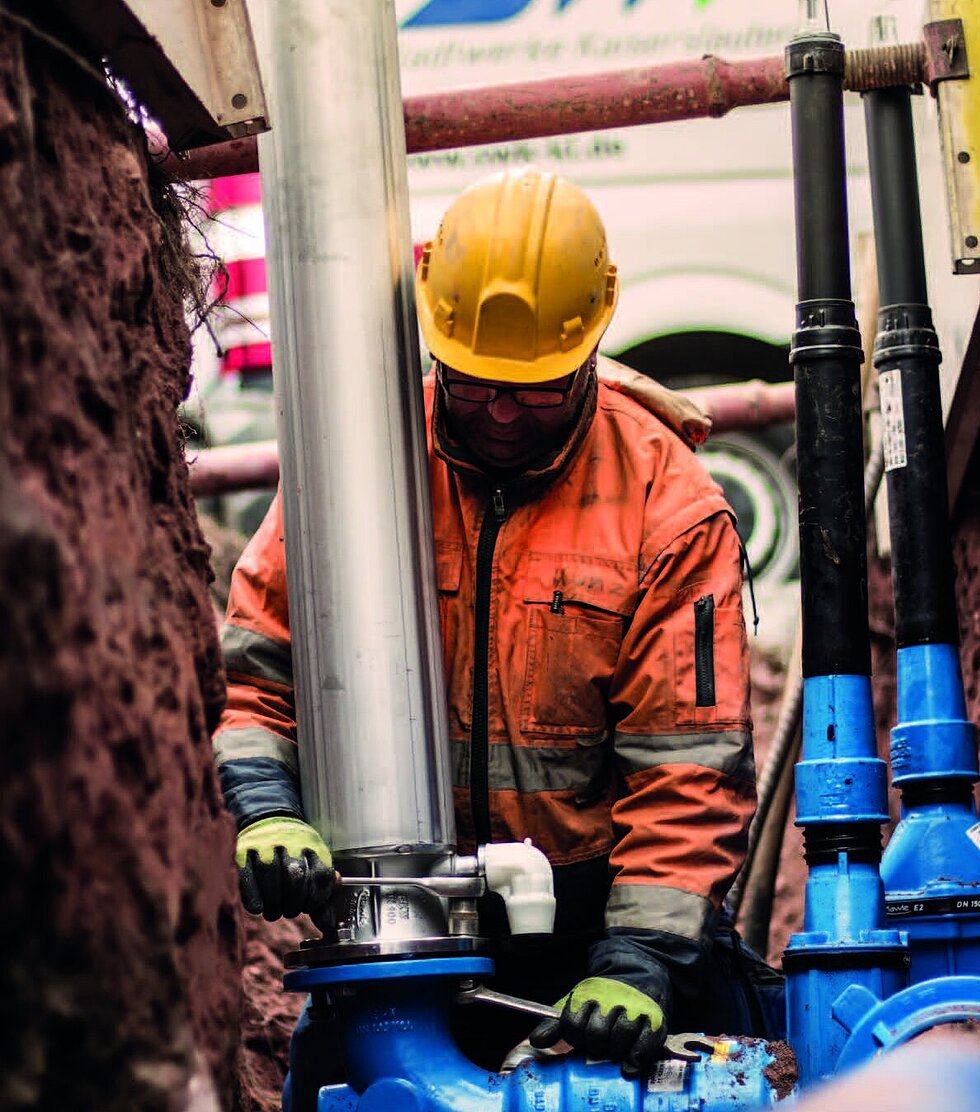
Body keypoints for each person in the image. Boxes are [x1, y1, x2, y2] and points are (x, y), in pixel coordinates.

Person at [213, 169, 780, 1102]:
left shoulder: (666, 508)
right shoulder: (362, 465)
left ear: (591, 344)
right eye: (477, 387)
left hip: (594, 925)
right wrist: (268, 802)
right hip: (395, 925)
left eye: (537, 391)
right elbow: (258, 666)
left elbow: (687, 766)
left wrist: (639, 958)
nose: (506, 414)